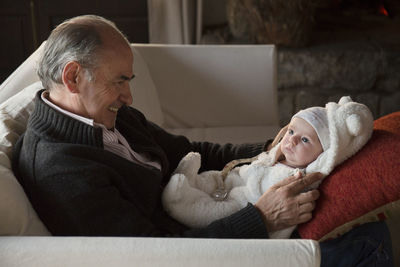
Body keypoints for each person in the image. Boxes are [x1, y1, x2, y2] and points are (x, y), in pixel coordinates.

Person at [12, 15, 393, 266]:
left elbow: (192, 153)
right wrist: (262, 217)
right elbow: (156, 254)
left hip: (218, 208)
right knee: (369, 242)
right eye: (120, 81)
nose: (129, 97)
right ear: (73, 77)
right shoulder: (62, 170)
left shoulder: (104, 113)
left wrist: (274, 147)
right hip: (207, 248)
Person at [162, 100, 374, 239]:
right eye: (290, 131)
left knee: (211, 210)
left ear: (323, 155)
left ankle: (180, 201)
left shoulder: (297, 176)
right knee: (212, 179)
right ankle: (192, 183)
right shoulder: (280, 157)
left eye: (305, 140)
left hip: (242, 205)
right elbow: (255, 165)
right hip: (233, 186)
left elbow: (272, 202)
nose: (291, 140)